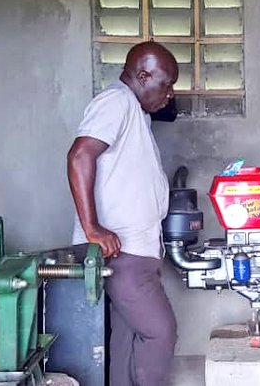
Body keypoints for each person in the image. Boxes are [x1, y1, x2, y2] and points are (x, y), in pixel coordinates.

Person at [67, 41, 178, 386]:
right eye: (166, 84)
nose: (170, 94)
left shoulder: (134, 110)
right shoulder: (116, 101)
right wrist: (92, 229)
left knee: (126, 342)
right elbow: (79, 156)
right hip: (121, 253)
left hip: (134, 252)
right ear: (142, 75)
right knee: (160, 332)